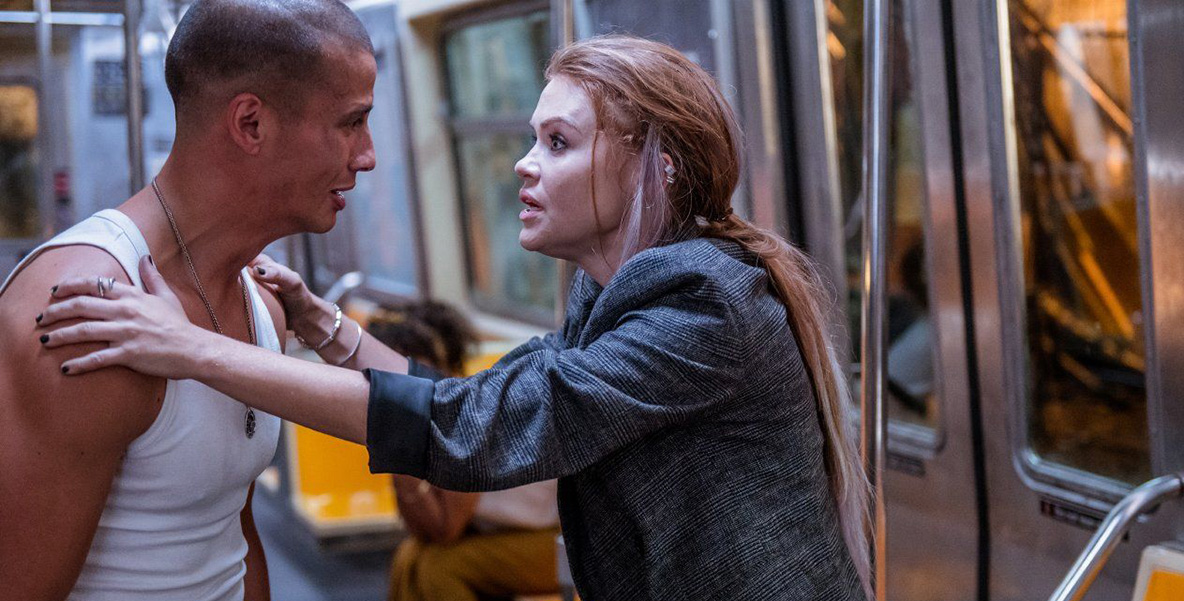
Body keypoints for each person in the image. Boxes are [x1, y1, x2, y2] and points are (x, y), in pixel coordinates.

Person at [38, 35, 873, 600]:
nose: (523, 165)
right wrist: (327, 328)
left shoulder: (702, 303)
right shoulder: (613, 294)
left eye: (558, 143)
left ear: (657, 167)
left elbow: (477, 431)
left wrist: (190, 348)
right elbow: (480, 399)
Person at [0, 0, 376, 598]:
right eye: (351, 122)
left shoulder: (263, 305)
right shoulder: (87, 313)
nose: (367, 155)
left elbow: (234, 537)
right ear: (251, 123)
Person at [363, 303, 560, 601]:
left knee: (439, 569)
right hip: (500, 534)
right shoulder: (433, 410)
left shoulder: (465, 414)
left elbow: (446, 529)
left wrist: (398, 446)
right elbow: (422, 531)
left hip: (556, 540)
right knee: (409, 556)